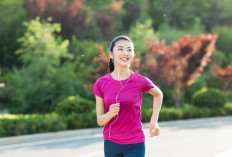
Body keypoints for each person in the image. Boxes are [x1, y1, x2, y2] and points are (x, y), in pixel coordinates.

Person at [92, 35, 163, 157]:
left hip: (135, 142)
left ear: (133, 54)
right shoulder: (101, 83)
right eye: (120, 49)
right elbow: (100, 120)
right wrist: (109, 114)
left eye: (129, 50)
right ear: (111, 54)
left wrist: (154, 120)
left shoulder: (140, 81)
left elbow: (158, 94)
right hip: (111, 143)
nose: (125, 53)